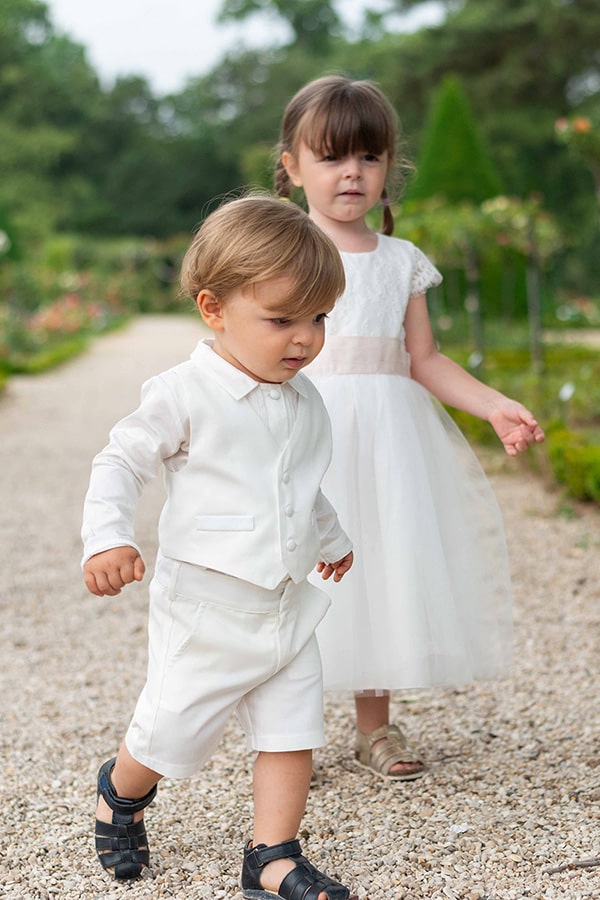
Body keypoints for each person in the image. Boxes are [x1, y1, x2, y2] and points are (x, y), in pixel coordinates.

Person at [81, 195, 357, 900]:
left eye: (318, 319)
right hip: (207, 603)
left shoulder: (303, 401)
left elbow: (299, 483)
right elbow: (121, 462)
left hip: (286, 601)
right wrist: (108, 537)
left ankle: (272, 857)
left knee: (293, 727)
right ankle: (121, 791)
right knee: (172, 729)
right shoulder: (184, 392)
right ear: (213, 309)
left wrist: (329, 536)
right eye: (281, 319)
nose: (304, 339)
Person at [275, 75, 545, 781]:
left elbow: (423, 358)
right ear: (292, 165)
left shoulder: (400, 261)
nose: (352, 173)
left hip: (386, 442)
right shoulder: (284, 254)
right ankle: (279, 726)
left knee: (378, 570)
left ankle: (375, 727)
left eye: (368, 157)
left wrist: (492, 404)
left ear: (389, 167)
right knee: (285, 567)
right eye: (331, 157)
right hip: (306, 433)